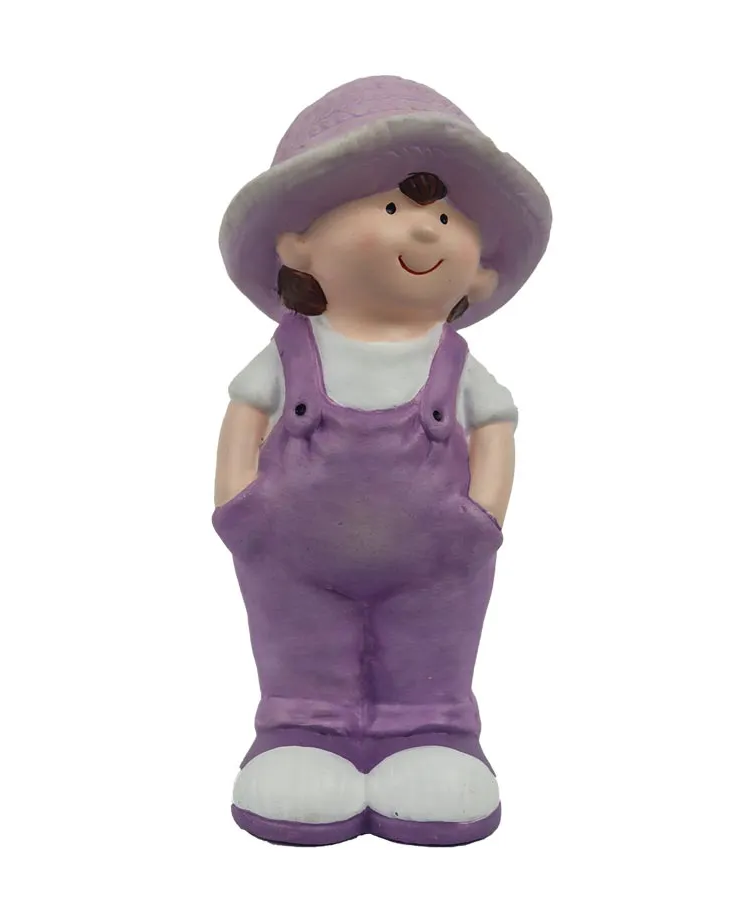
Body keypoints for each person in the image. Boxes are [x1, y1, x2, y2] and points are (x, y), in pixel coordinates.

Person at [213, 75, 551, 846]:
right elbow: (244, 413)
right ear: (298, 244)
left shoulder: (455, 364)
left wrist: (484, 513)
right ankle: (302, 732)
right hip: (291, 557)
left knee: (433, 649)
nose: (424, 232)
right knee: (299, 648)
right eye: (394, 210)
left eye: (445, 218)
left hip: (439, 560)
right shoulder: (287, 354)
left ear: (481, 270)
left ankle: (430, 733)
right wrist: (237, 501)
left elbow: (496, 426)